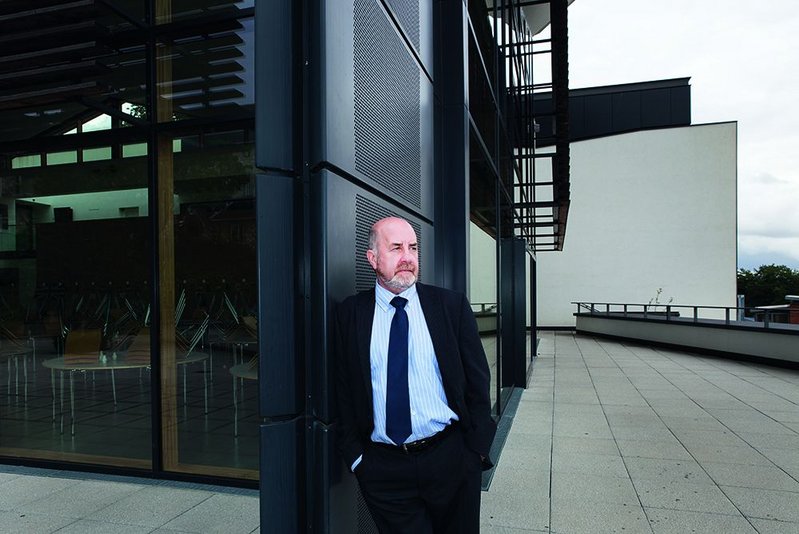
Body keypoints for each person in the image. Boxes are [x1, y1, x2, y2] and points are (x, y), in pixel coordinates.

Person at [334, 216, 496, 533]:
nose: (408, 257)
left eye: (413, 247)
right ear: (373, 258)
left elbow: (478, 380)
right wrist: (357, 458)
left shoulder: (449, 306)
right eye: (396, 248)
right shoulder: (350, 314)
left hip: (450, 458)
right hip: (383, 468)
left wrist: (475, 450)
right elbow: (343, 388)